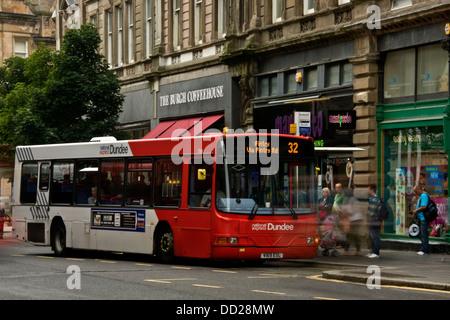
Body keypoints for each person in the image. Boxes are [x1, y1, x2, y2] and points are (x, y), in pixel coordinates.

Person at [341, 189, 364, 256]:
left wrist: (345, 212)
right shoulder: (347, 200)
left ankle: (357, 250)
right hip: (351, 220)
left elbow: (352, 211)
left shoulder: (353, 201)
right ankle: (348, 250)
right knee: (349, 235)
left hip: (356, 219)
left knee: (354, 235)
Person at [412, 185, 430, 255]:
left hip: (423, 218)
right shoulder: (423, 195)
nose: (416, 193)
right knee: (422, 234)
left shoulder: (423, 196)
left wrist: (416, 210)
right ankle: (424, 249)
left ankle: (424, 250)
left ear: (419, 190)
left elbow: (424, 206)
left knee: (423, 234)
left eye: (416, 191)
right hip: (421, 218)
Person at [367, 184, 381, 258]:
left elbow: (372, 212)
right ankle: (373, 251)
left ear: (371, 190)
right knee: (372, 237)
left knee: (375, 237)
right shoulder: (372, 198)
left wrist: (368, 219)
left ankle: (376, 252)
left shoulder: (374, 199)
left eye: (368, 189)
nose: (367, 191)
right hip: (374, 220)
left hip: (374, 220)